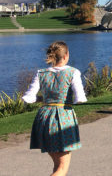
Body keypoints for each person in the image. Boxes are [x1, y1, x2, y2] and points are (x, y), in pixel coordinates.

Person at [22, 41, 87, 176]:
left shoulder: (41, 73)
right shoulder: (73, 72)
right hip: (63, 119)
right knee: (62, 168)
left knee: (57, 165)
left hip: (44, 118)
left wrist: (45, 99)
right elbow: (80, 98)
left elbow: (29, 97)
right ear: (66, 55)